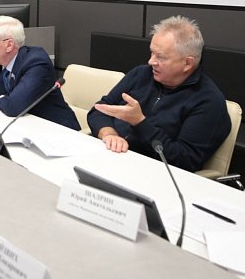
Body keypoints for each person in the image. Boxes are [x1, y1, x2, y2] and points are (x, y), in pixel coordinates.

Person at [87, 16, 230, 172]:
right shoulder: (141, 74)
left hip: (151, 172)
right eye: (152, 53)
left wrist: (140, 122)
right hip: (109, 157)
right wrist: (109, 134)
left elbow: (184, 161)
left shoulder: (208, 101)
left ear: (187, 63)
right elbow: (99, 110)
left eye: (160, 57)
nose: (151, 61)